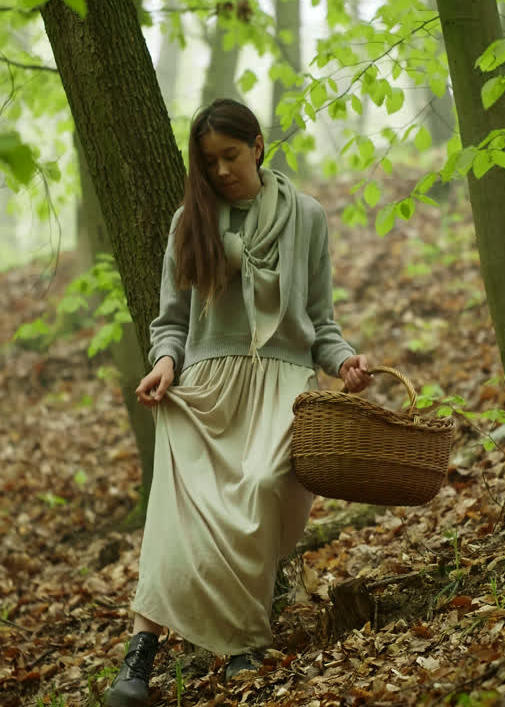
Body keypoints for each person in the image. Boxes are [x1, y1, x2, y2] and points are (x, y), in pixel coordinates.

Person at [103, 98, 373, 707]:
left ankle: (240, 637)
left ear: (257, 146)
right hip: (206, 385)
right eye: (209, 161)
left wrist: (344, 362)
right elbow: (171, 321)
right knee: (175, 513)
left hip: (282, 383)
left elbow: (321, 322)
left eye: (230, 155)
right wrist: (164, 363)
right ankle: (142, 652)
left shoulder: (307, 217)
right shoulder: (189, 221)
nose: (222, 170)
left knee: (262, 485)